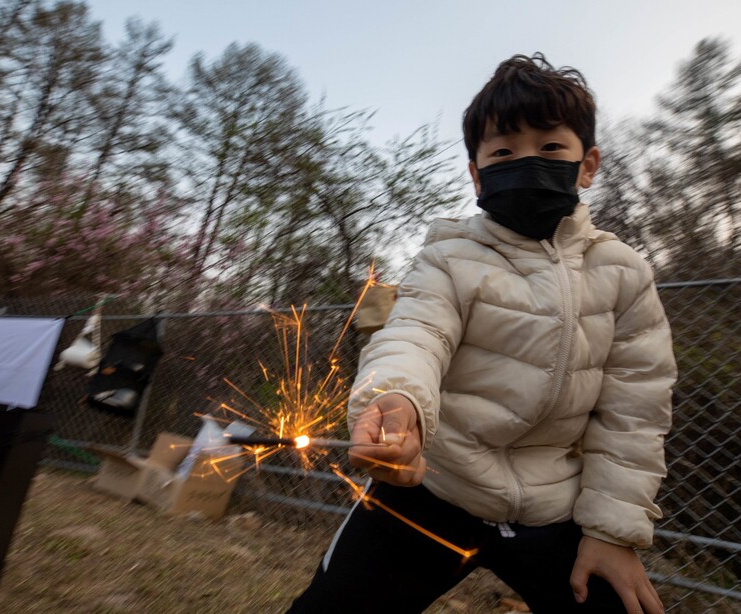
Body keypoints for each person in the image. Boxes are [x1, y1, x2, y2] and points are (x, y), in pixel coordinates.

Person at [289, 53, 677, 614]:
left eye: (550, 148)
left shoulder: (624, 274)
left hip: (556, 509)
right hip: (432, 489)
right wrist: (396, 403)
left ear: (587, 164)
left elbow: (636, 410)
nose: (527, 163)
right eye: (503, 152)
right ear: (476, 174)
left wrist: (613, 531)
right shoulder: (447, 259)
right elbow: (414, 335)